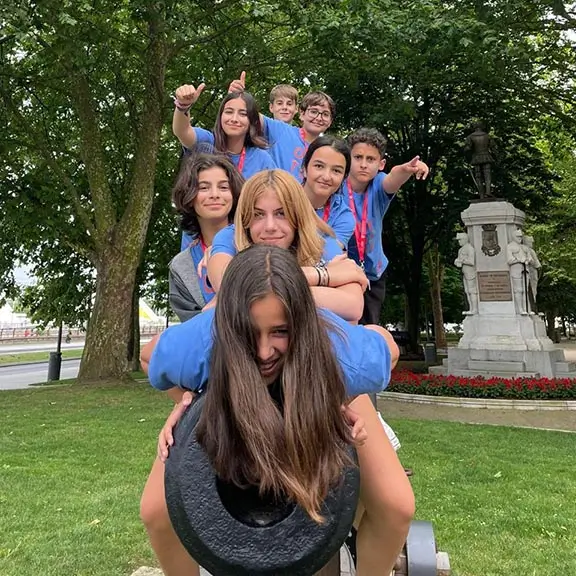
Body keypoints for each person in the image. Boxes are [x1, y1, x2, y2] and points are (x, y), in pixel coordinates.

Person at [140, 245, 412, 576]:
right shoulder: (201, 345)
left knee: (397, 508)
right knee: (156, 513)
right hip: (224, 393)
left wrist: (336, 397)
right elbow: (147, 358)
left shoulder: (338, 352)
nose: (264, 351)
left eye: (280, 331)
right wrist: (186, 402)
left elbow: (389, 349)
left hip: (319, 382)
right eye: (250, 333)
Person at [206, 169, 367, 322]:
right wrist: (320, 275)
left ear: (298, 215)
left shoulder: (320, 240)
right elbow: (225, 284)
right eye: (258, 214)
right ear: (245, 217)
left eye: (281, 213)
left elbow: (353, 306)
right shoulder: (230, 236)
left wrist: (251, 291)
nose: (270, 226)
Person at [345, 128, 429, 324]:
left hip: (373, 273)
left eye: (370, 159)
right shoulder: (335, 185)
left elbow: (394, 177)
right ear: (348, 159)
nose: (363, 164)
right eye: (358, 157)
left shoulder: (379, 185)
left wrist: (408, 169)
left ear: (380, 164)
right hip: (342, 272)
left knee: (369, 326)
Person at [169, 153, 243, 321]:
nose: (215, 194)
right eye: (203, 188)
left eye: (224, 187)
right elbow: (193, 332)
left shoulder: (255, 245)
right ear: (189, 197)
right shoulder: (181, 266)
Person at [228, 71, 335, 179]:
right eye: (314, 112)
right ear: (302, 114)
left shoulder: (329, 150)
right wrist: (238, 98)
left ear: (330, 121)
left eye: (325, 114)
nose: (319, 118)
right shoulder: (282, 129)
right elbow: (251, 115)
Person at [172, 83, 276, 178]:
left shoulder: (261, 159)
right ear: (220, 116)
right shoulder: (207, 143)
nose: (234, 119)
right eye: (229, 112)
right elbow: (182, 131)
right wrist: (183, 105)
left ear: (252, 121)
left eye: (243, 114)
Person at [301, 136, 355, 246]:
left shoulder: (343, 217)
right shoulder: (283, 200)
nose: (326, 176)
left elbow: (327, 256)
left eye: (336, 170)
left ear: (344, 178)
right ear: (304, 169)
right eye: (319, 166)